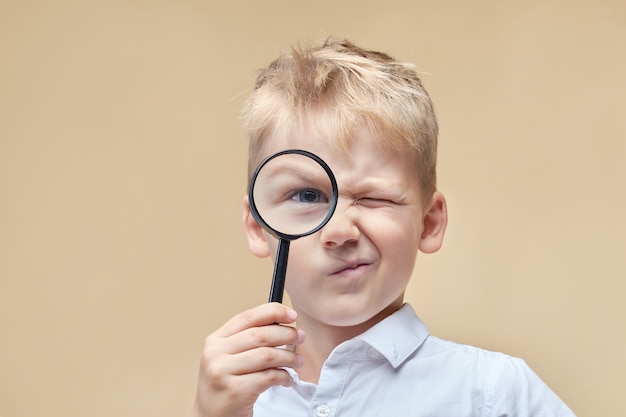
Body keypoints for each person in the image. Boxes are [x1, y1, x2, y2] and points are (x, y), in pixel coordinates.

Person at [191, 38, 576, 417]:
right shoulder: (235, 402)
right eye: (307, 196)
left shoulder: (494, 392)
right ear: (260, 226)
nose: (340, 231)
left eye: (373, 198)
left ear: (428, 223)